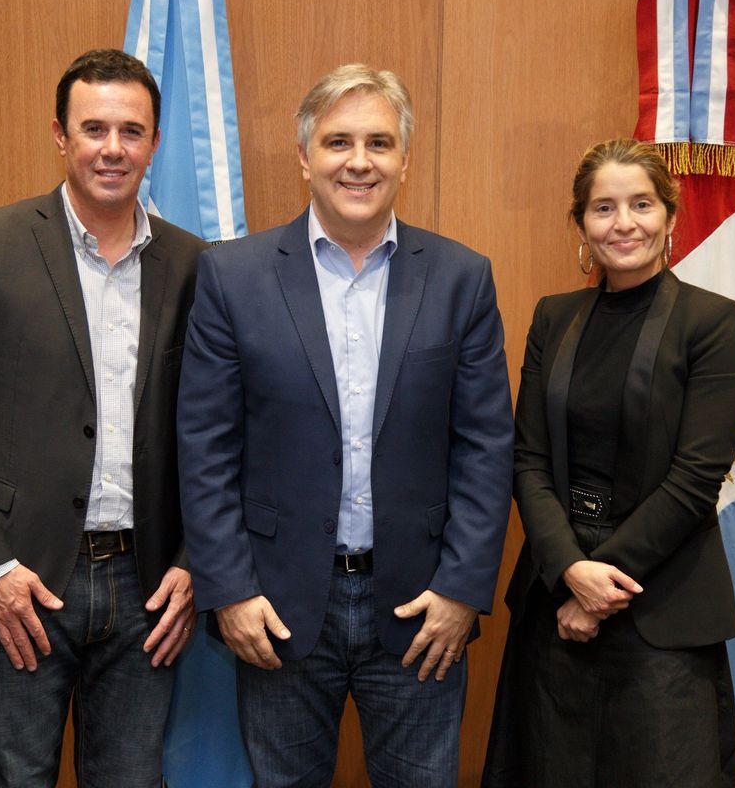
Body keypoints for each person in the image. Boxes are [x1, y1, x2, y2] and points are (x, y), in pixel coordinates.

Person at [177, 64, 513, 787]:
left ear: (404, 160)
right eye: (338, 142)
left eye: (378, 143)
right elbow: (204, 448)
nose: (359, 161)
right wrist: (229, 590)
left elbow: (486, 447)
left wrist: (462, 589)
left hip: (422, 606)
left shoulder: (461, 278)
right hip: (277, 606)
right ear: (304, 157)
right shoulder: (232, 276)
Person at [0, 49, 203, 787]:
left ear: (155, 143)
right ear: (59, 136)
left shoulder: (196, 264)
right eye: (94, 128)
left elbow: (215, 428)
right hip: (23, 581)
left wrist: (194, 559)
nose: (113, 148)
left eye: (131, 131)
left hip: (147, 588)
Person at [482, 138, 735, 787]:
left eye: (641, 204)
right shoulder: (554, 318)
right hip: (555, 604)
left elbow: (696, 479)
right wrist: (571, 572)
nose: (623, 223)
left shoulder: (712, 321)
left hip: (662, 608)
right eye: (603, 208)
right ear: (581, 224)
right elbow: (528, 460)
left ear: (670, 216)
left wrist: (600, 590)